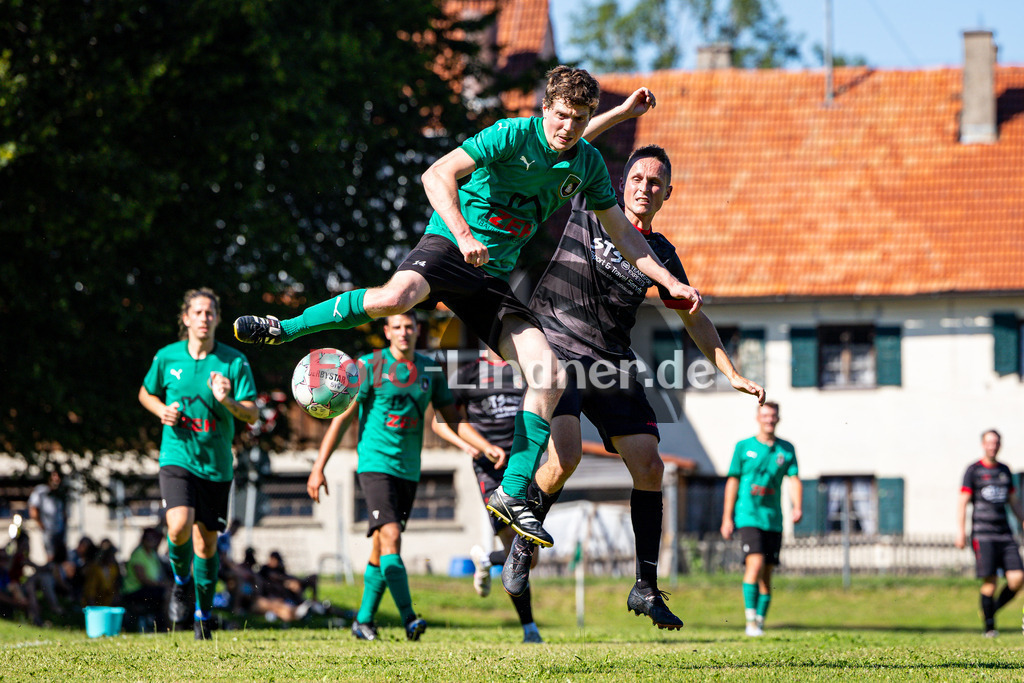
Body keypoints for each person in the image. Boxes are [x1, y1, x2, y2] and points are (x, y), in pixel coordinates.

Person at [235, 66, 701, 550]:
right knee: (394, 299)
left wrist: (669, 280)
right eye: (561, 116)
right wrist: (462, 233)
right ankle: (285, 328)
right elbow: (435, 174)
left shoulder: (585, 161)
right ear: (545, 110)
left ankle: (513, 492)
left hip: (490, 278)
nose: (569, 127)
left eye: (580, 119)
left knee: (549, 373)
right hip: (448, 247)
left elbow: (625, 235)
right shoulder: (508, 134)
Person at [498, 91, 766, 630]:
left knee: (650, 465)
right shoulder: (592, 206)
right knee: (567, 455)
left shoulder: (662, 255)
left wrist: (732, 373)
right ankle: (523, 548)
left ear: (667, 194)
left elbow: (695, 318)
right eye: (637, 178)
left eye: (656, 182)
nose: (645, 187)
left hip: (612, 363)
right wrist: (621, 115)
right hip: (557, 347)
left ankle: (645, 585)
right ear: (621, 183)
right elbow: (574, 143)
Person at [307, 312, 486, 641]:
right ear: (386, 332)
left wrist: (484, 446)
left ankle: (363, 621)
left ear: (417, 330)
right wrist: (319, 467)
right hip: (375, 465)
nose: (404, 332)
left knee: (381, 547)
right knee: (391, 537)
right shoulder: (368, 366)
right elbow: (343, 418)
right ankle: (409, 619)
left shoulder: (430, 369)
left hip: (409, 469)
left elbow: (452, 419)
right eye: (397, 327)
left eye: (409, 326)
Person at [138, 287, 258, 639]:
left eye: (210, 313)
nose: (204, 318)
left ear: (218, 319)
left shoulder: (233, 361)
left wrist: (228, 400)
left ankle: (204, 616)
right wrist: (163, 410)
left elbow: (251, 414)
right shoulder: (167, 357)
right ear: (186, 318)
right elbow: (146, 392)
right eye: (198, 312)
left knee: (205, 544)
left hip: (217, 465)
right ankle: (180, 582)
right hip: (176, 457)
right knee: (177, 527)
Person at [430, 347, 544, 643]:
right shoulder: (468, 375)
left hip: (524, 466)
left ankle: (485, 561)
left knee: (531, 559)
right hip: (491, 472)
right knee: (519, 550)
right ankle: (529, 630)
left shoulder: (526, 369)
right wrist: (473, 445)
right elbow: (440, 422)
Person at [721, 401, 801, 637]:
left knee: (767, 574)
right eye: (765, 415)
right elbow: (732, 481)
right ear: (758, 417)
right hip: (748, 515)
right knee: (754, 564)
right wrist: (727, 518)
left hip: (773, 519)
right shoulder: (743, 447)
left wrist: (798, 506)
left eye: (773, 416)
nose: (769, 419)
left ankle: (760, 620)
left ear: (778, 419)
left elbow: (794, 479)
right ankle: (750, 622)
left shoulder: (786, 449)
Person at [955, 429, 1024, 637]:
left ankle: (990, 610)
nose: (992, 446)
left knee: (1017, 579)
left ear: (999, 445)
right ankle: (989, 627)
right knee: (990, 581)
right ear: (983, 445)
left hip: (1005, 533)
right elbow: (962, 502)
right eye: (989, 443)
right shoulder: (973, 471)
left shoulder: (1004, 470)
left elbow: (1013, 502)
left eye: (996, 443)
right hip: (982, 534)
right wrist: (960, 531)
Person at [122, 528, 171, 632]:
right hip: (134, 590)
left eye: (154, 538)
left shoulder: (153, 554)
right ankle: (166, 626)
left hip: (149, 588)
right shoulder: (138, 554)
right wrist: (161, 585)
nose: (152, 540)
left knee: (170, 591)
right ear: (143, 539)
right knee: (165, 593)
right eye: (149, 538)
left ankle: (165, 625)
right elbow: (143, 579)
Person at [28, 468, 67, 567]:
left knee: (60, 557)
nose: (56, 479)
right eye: (54, 476)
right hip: (48, 530)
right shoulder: (41, 491)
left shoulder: (60, 492)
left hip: (59, 530)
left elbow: (63, 511)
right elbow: (33, 508)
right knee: (50, 555)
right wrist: (40, 524)